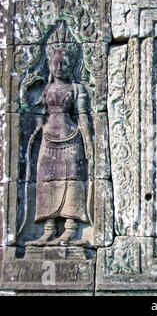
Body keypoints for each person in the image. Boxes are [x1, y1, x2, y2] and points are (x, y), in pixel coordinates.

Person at [27, 48, 94, 246]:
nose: (59, 67)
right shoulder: (45, 89)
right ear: (49, 65)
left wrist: (89, 141)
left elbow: (82, 116)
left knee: (72, 181)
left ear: (71, 66)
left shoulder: (77, 88)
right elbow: (33, 111)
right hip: (48, 138)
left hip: (71, 137)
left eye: (63, 63)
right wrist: (24, 88)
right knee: (45, 179)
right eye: (55, 63)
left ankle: (70, 229)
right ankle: (48, 229)